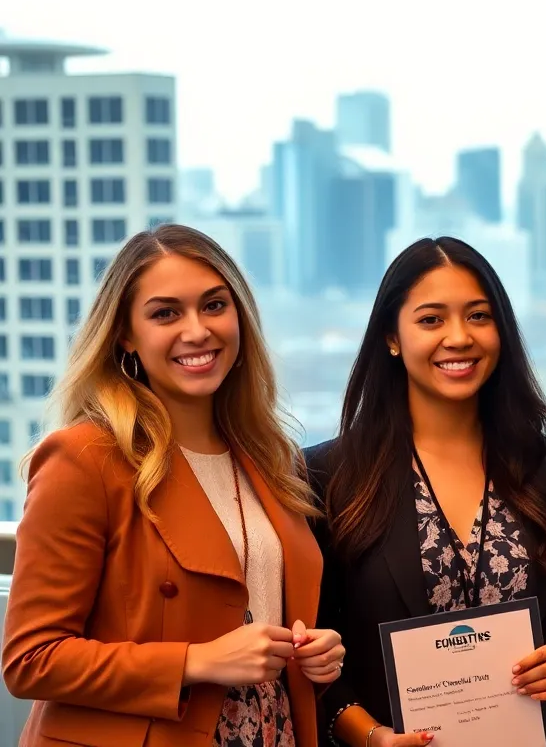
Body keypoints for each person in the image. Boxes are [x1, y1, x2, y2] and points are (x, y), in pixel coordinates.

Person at [2, 224, 344, 747]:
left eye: (214, 305)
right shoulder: (84, 458)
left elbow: (264, 610)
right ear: (125, 335)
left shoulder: (273, 459)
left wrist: (313, 655)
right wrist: (197, 660)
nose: (197, 330)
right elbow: (30, 661)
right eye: (166, 313)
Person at [308, 236, 546, 747]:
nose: (459, 337)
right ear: (391, 337)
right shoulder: (328, 475)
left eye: (479, 316)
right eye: (431, 319)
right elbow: (311, 646)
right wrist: (368, 736)